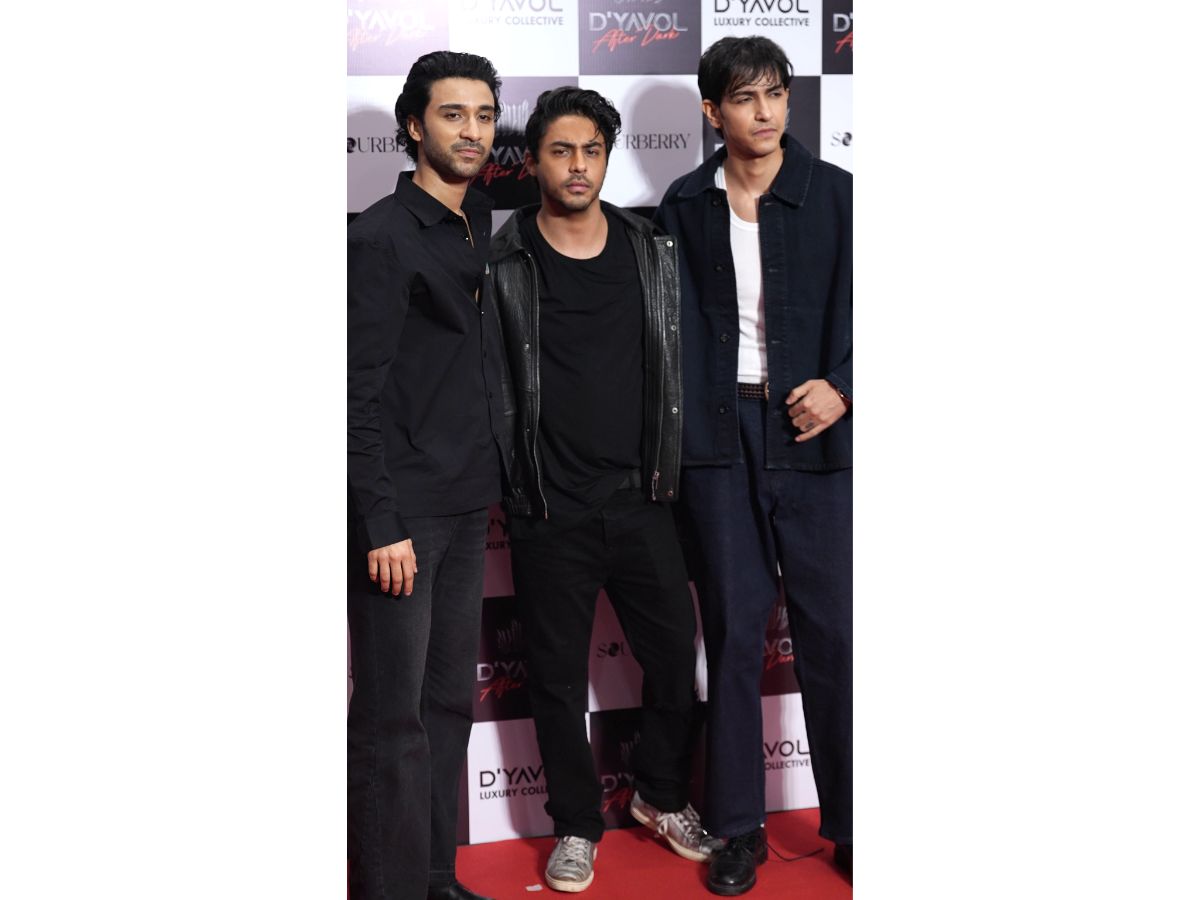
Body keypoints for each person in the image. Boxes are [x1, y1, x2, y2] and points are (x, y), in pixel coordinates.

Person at [489, 86, 714, 893]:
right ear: (534, 161)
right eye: (561, 151)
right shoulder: (505, 259)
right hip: (549, 509)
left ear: (607, 158)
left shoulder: (650, 249)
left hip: (642, 500)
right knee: (555, 682)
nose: (578, 166)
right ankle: (577, 826)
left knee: (674, 662)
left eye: (591, 151)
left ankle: (661, 794)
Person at [653, 36, 853, 896]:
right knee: (734, 634)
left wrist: (845, 387)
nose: (766, 111)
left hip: (815, 437)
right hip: (716, 439)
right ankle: (739, 828)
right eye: (745, 97)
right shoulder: (684, 203)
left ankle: (854, 822)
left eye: (776, 93)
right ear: (713, 111)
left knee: (833, 636)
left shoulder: (839, 195)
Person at [347, 50, 511, 900]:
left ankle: (435, 878)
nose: (472, 131)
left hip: (465, 504)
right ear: (414, 125)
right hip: (403, 518)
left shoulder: (477, 220)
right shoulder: (380, 236)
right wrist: (381, 522)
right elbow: (352, 393)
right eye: (453, 114)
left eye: (484, 115)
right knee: (393, 720)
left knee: (447, 705)